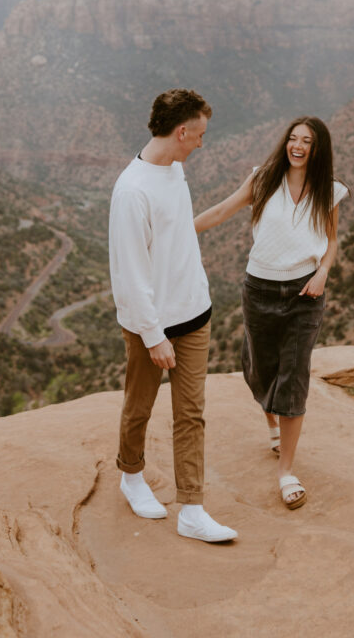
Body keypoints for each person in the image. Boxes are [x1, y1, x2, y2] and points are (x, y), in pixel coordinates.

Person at [194, 116, 348, 510]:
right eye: (293, 139)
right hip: (258, 289)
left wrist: (323, 272)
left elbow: (331, 240)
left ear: (318, 149)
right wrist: (177, 229)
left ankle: (286, 471)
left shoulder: (327, 191)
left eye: (307, 142)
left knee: (293, 374)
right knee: (259, 368)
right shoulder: (263, 179)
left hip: (305, 294)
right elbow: (223, 210)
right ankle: (271, 420)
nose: (298, 146)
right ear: (285, 143)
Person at [109, 88, 238, 543]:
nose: (202, 143)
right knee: (139, 406)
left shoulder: (175, 169)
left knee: (191, 414)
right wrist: (152, 334)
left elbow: (180, 234)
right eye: (199, 134)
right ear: (181, 131)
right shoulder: (132, 191)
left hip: (194, 314)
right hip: (153, 326)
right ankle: (131, 476)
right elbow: (129, 274)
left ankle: (192, 509)